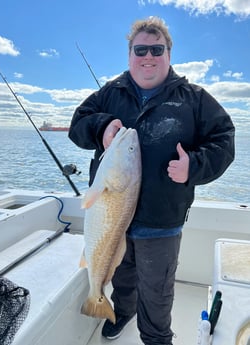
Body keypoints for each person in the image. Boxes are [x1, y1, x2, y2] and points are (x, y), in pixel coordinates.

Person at [69, 16, 235, 345]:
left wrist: (194, 166)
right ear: (129, 54)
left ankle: (156, 338)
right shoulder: (111, 92)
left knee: (156, 292)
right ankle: (123, 311)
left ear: (168, 54)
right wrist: (101, 127)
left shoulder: (194, 98)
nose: (148, 56)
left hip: (161, 221)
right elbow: (78, 125)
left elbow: (224, 139)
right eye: (140, 49)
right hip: (113, 218)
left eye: (156, 49)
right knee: (123, 277)